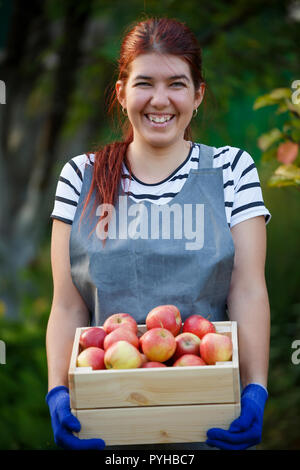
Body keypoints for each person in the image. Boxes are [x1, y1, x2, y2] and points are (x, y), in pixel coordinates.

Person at [45, 17, 271, 451]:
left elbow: (247, 290)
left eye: (177, 84)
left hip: (208, 411)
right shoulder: (81, 176)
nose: (160, 100)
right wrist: (58, 391)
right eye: (145, 82)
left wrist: (254, 388)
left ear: (198, 94)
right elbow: (68, 304)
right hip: (106, 413)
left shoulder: (231, 170)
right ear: (121, 91)